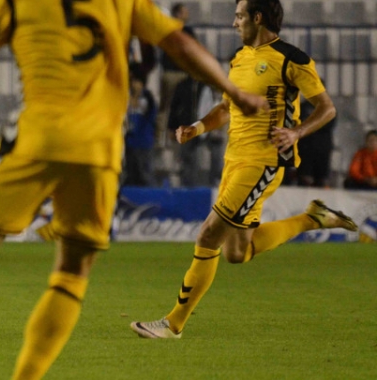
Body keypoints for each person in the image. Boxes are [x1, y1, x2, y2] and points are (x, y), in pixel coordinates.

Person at [0, 0, 268, 378]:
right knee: (72, 270)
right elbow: (179, 44)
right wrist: (233, 91)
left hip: (39, 133)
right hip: (100, 149)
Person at [130, 0, 358, 340]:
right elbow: (225, 107)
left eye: (239, 16)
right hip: (234, 160)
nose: (234, 22)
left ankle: (173, 323)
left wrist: (296, 131)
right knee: (238, 252)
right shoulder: (239, 58)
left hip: (263, 162)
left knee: (208, 235)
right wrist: (198, 127)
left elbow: (326, 107)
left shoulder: (292, 59)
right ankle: (314, 218)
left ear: (257, 17)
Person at [155, 3, 196, 147]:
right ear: (178, 14)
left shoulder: (168, 29)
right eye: (184, 12)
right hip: (178, 73)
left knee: (169, 107)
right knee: (171, 107)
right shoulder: (180, 30)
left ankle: (164, 139)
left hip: (173, 72)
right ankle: (167, 139)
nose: (187, 15)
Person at [122, 65, 157, 186]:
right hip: (129, 143)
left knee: (145, 175)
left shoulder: (148, 97)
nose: (132, 84)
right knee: (130, 175)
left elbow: (145, 111)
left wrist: (136, 96)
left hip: (143, 143)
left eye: (135, 81)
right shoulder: (125, 96)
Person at [294, 95, 335, 187]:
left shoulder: (329, 107)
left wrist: (310, 125)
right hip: (305, 147)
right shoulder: (302, 107)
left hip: (322, 147)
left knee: (321, 179)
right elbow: (298, 122)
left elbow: (329, 123)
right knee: (304, 178)